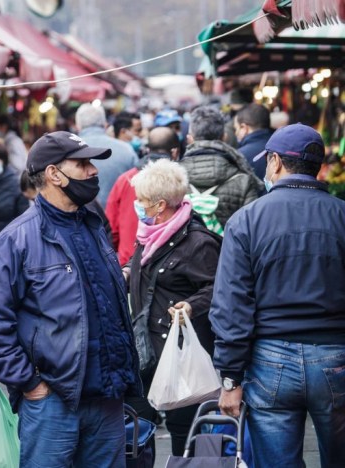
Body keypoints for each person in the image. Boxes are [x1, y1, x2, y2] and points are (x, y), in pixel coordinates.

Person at [0, 131, 141, 468]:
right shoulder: (16, 240)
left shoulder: (93, 224)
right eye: (82, 164)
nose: (93, 171)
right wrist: (28, 382)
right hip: (54, 401)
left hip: (106, 395)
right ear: (53, 174)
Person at [212, 124, 345, 467]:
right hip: (335, 356)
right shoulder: (340, 216)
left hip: (270, 361)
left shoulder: (246, 221)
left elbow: (231, 307)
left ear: (274, 162)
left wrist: (230, 377)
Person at [124, 159, 221, 457]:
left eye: (141, 200)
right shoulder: (150, 234)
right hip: (146, 351)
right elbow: (147, 267)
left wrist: (192, 305)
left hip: (181, 355)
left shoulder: (198, 243)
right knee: (138, 426)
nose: (137, 205)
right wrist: (128, 272)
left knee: (183, 430)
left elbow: (218, 288)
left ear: (160, 204)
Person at [106, 127, 180, 266]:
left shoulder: (125, 180)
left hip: (128, 264)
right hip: (171, 266)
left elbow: (111, 229)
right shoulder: (180, 183)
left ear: (147, 149)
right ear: (175, 152)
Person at [179, 106, 263, 228]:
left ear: (190, 139)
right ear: (224, 137)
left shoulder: (175, 178)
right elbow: (252, 227)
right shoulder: (243, 179)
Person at [75, 104, 138, 207]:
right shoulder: (126, 149)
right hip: (118, 218)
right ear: (105, 125)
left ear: (78, 126)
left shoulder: (68, 152)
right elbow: (137, 188)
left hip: (80, 219)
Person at [234, 104, 272, 180]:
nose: (235, 133)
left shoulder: (239, 156)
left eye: (236, 129)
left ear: (244, 128)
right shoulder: (280, 148)